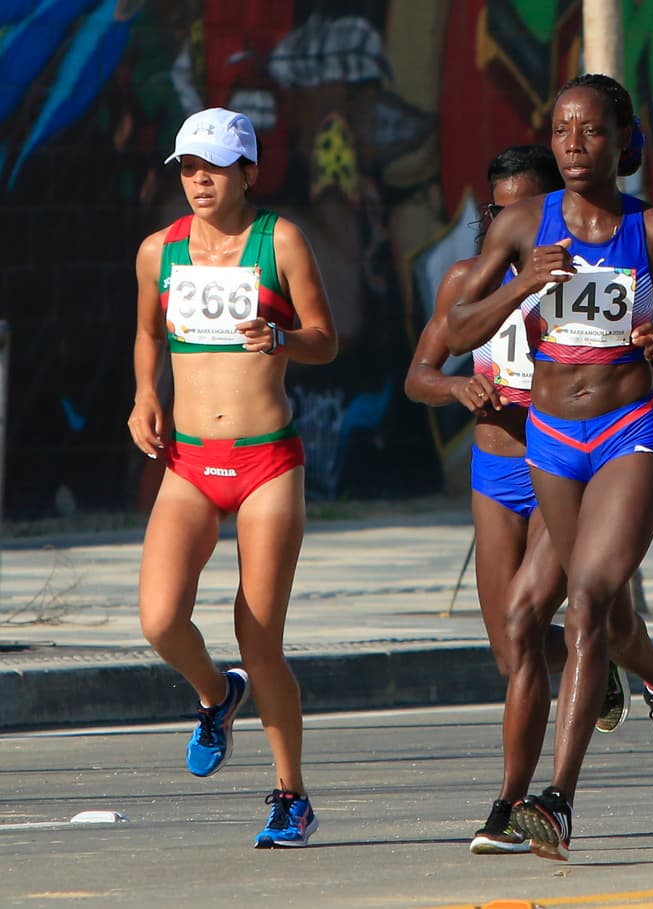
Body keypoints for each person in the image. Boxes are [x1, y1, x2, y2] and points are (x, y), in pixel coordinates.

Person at [447, 73, 653, 861]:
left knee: (589, 600)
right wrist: (523, 286)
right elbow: (457, 321)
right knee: (592, 620)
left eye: (592, 131)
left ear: (622, 141)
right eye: (563, 130)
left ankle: (554, 802)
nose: (575, 145)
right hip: (548, 436)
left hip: (626, 430)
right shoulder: (520, 226)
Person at [403, 144, 633, 855]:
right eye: (501, 208)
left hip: (560, 464)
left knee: (527, 616)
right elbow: (419, 372)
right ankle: (636, 673)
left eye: (527, 207)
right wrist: (454, 388)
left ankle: (509, 806)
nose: (515, 219)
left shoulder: (585, 277)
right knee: (512, 651)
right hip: (494, 471)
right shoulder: (466, 281)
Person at [127, 107, 338, 847]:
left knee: (259, 636)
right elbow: (149, 333)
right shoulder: (160, 251)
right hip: (188, 459)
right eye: (188, 167)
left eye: (213, 167)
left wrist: (282, 335)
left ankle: (290, 795)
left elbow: (325, 339)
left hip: (265, 462)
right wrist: (145, 395)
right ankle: (217, 696)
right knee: (158, 619)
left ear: (248, 171)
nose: (199, 181)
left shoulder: (279, 241)